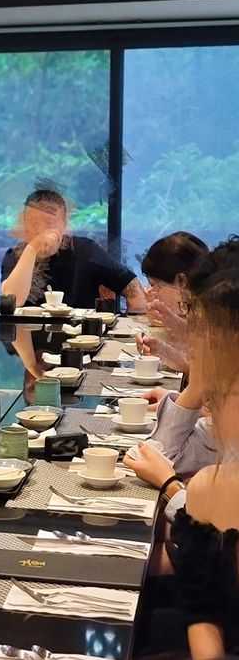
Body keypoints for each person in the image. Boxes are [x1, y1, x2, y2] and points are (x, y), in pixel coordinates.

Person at [129, 237, 239, 659]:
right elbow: (206, 612)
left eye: (197, 317)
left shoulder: (213, 487)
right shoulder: (214, 483)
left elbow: (168, 457)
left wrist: (174, 490)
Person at [0, 188, 146, 310]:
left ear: (64, 225)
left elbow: (134, 288)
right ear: (24, 225)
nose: (41, 230)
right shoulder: (15, 255)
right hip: (26, 338)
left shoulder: (86, 250)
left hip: (82, 339)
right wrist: (32, 249)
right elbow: (12, 302)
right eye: (33, 223)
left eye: (49, 222)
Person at [135, 231, 209, 371]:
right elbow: (200, 340)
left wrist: (164, 350)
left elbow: (209, 375)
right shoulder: (200, 302)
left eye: (154, 284)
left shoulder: (218, 308)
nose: (152, 291)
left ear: (182, 280)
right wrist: (171, 320)